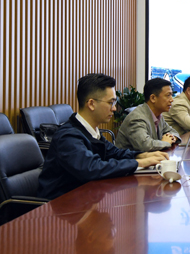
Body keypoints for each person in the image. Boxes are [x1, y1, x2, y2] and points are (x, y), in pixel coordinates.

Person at [37, 74, 168, 200]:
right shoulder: (68, 137)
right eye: (111, 102)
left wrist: (143, 155)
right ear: (91, 104)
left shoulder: (91, 131)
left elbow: (114, 153)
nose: (114, 108)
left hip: (84, 197)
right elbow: (92, 168)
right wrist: (140, 163)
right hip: (59, 205)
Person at [116, 78, 181, 151]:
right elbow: (145, 146)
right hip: (132, 158)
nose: (172, 100)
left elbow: (173, 132)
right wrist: (166, 142)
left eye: (171, 95)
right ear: (153, 98)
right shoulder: (137, 118)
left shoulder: (158, 115)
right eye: (168, 95)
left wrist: (171, 137)